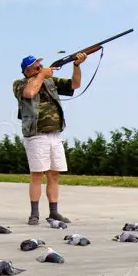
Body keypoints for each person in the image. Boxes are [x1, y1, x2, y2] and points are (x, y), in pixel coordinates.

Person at [13, 52, 88, 226]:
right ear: (27, 71)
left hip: (55, 133)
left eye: (41, 66)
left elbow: (75, 84)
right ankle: (34, 214)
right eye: (36, 67)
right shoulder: (20, 84)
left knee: (54, 174)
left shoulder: (49, 81)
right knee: (37, 175)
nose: (40, 68)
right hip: (36, 134)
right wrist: (42, 75)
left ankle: (54, 212)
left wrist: (76, 66)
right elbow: (30, 92)